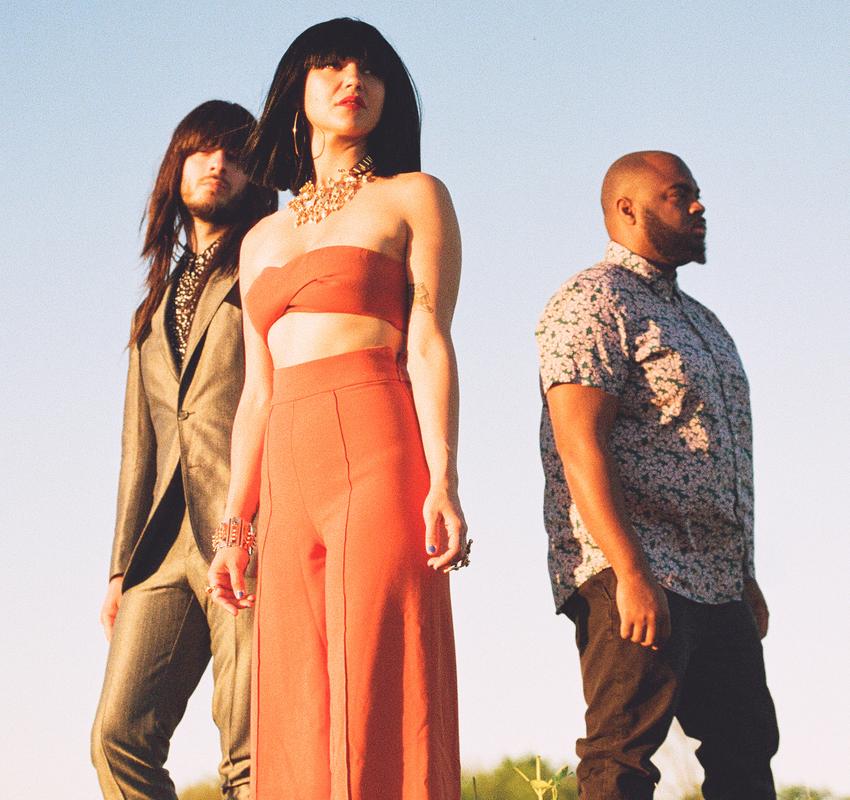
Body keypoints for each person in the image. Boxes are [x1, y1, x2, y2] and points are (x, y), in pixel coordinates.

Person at [206, 17, 469, 800]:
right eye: (333, 66)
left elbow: (429, 342)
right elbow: (256, 393)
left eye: (372, 70)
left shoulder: (414, 197)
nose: (355, 80)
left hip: (376, 447)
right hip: (286, 469)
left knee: (382, 674)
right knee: (294, 698)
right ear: (298, 89)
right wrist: (234, 527)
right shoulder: (260, 238)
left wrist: (445, 479)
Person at [535, 151, 779, 799]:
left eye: (697, 193)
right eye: (679, 194)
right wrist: (632, 574)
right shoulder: (592, 300)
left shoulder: (704, 322)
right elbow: (579, 445)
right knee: (623, 757)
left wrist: (743, 575)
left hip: (718, 581)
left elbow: (720, 456)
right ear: (628, 208)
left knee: (746, 753)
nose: (699, 206)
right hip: (636, 570)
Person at [91, 100, 277, 800]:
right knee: (117, 738)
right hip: (160, 548)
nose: (217, 165)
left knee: (250, 750)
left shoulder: (266, 265)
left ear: (256, 175)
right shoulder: (151, 308)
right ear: (177, 167)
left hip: (244, 527)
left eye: (234, 155)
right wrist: (119, 568)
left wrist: (252, 519)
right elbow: (136, 449)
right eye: (202, 151)